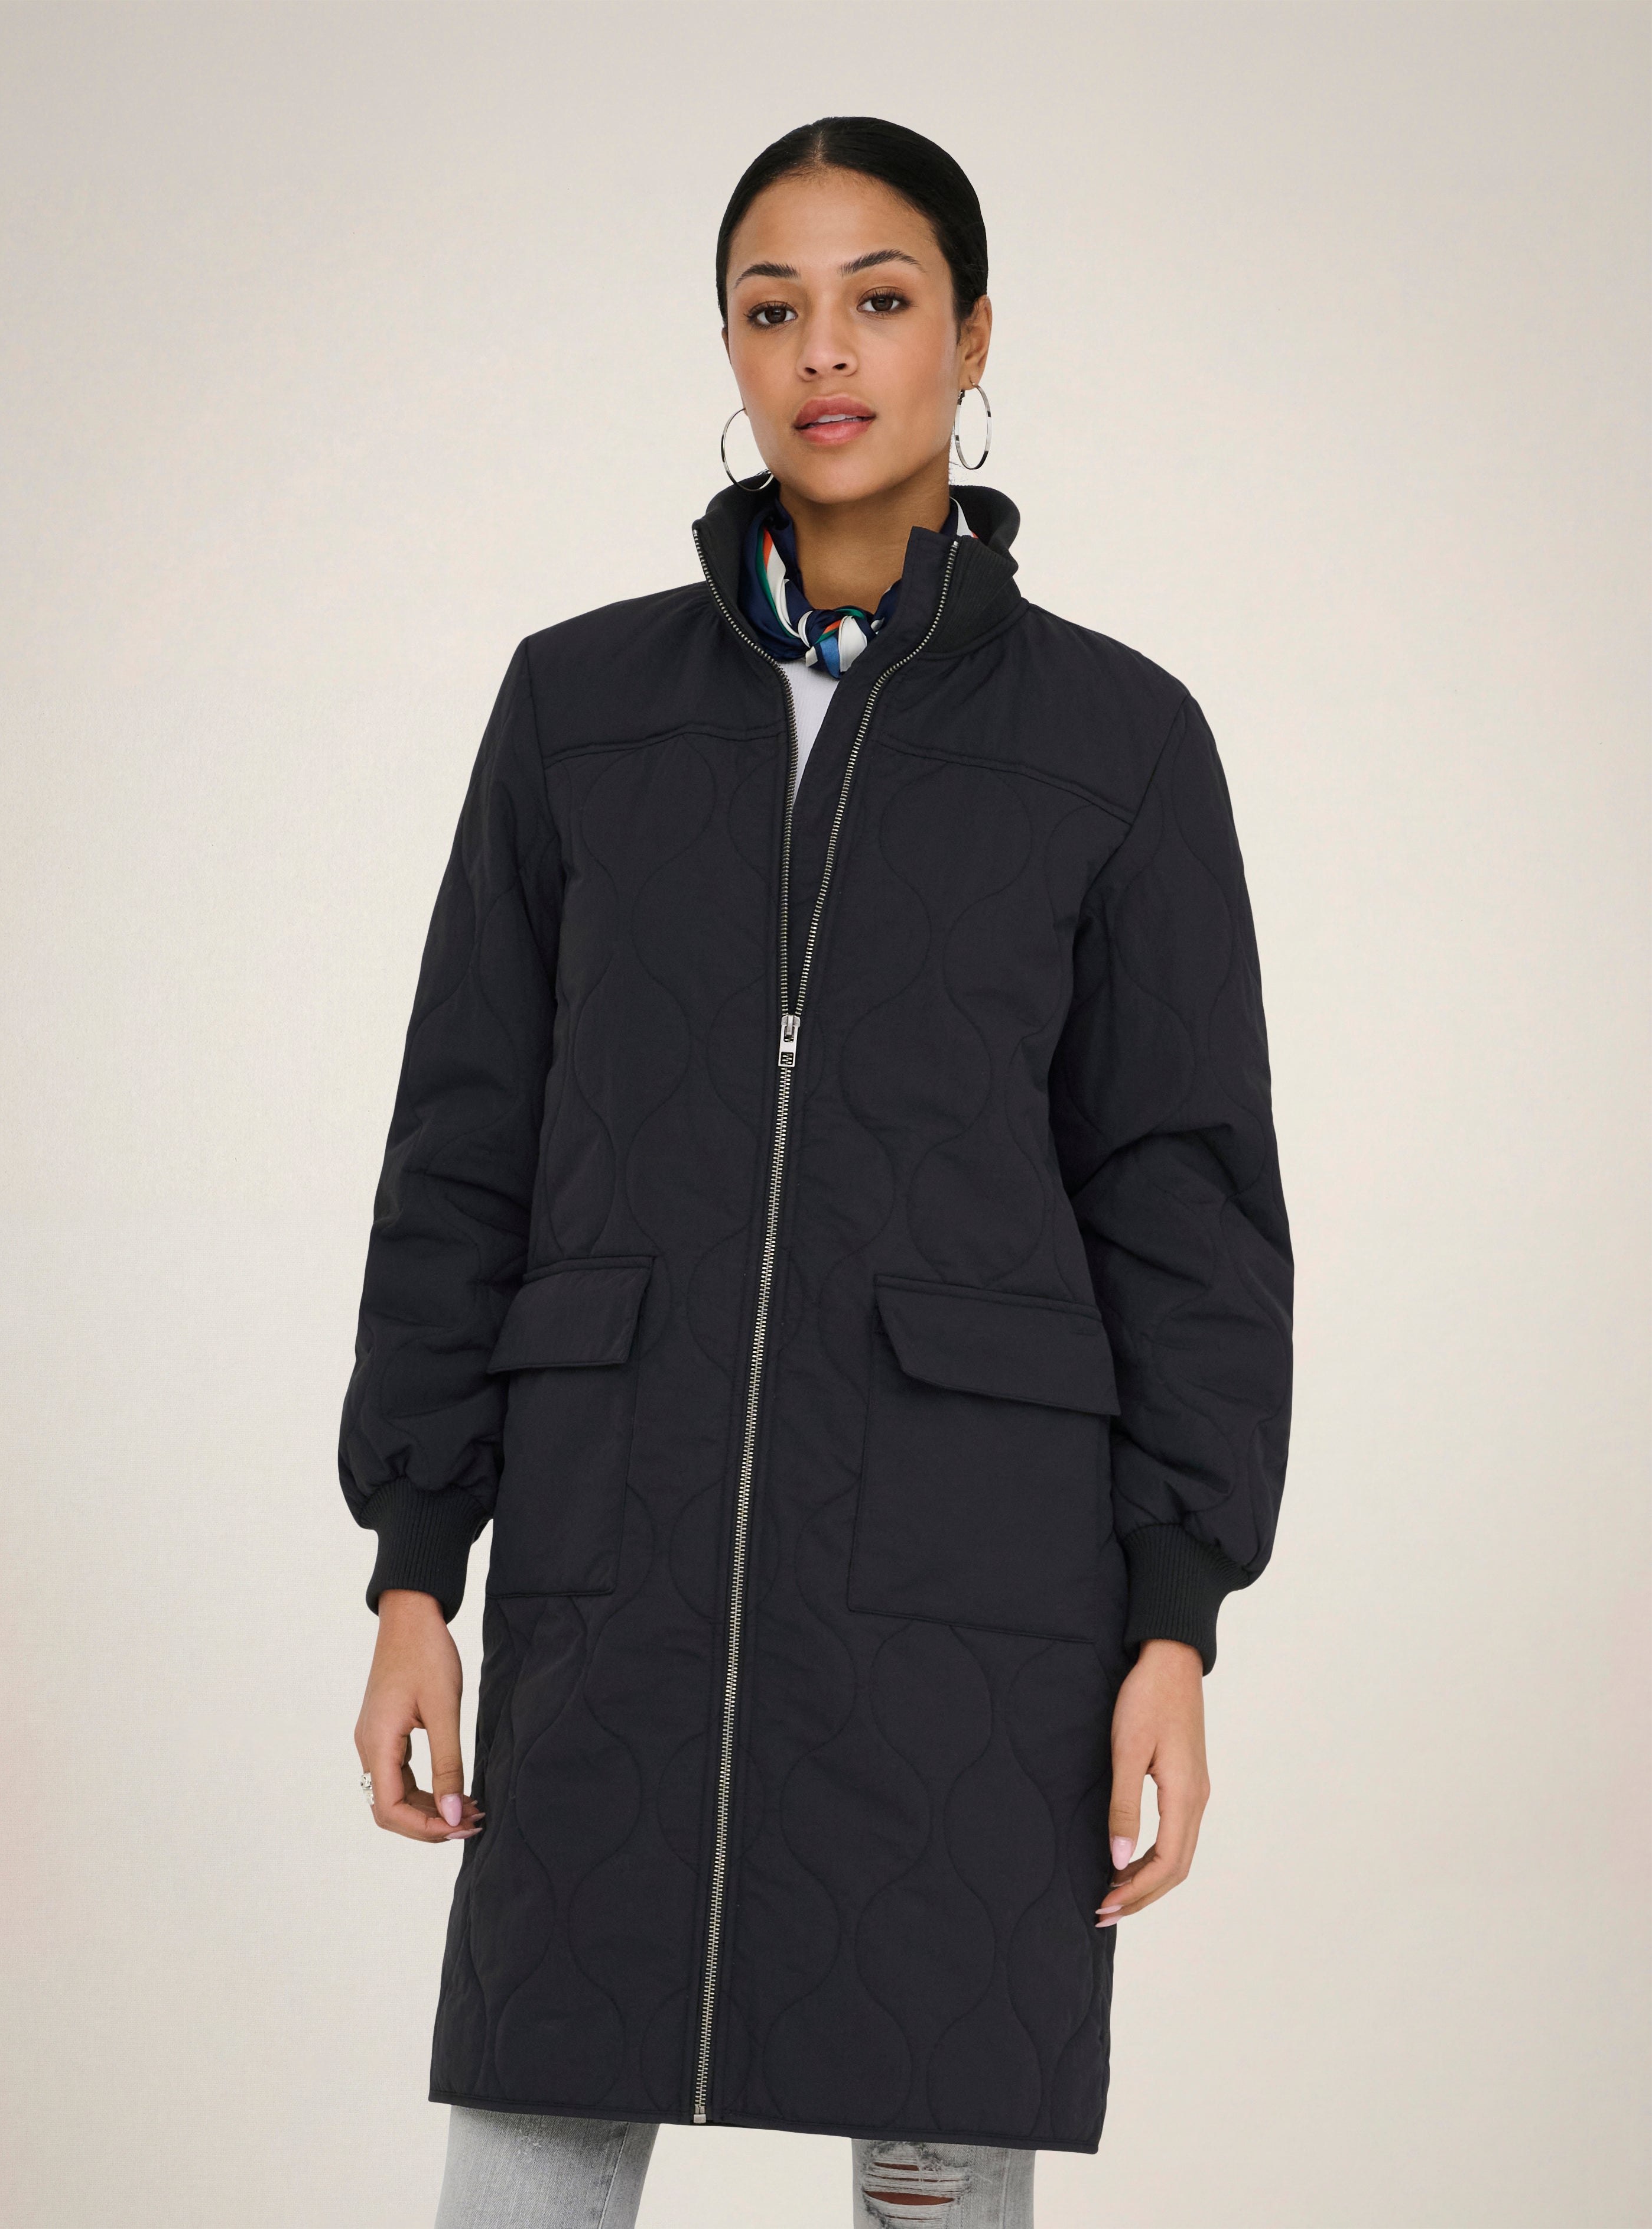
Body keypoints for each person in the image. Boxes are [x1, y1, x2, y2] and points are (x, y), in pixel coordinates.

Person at [339, 116, 1293, 2229]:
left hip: (978, 1585)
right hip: (613, 1551)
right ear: (731, 348)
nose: (826, 351)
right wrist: (416, 1564)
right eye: (772, 308)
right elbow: (463, 1146)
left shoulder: (1121, 743)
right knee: (533, 2135)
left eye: (880, 299)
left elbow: (1187, 1208)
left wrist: (1175, 1621)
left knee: (935, 2166)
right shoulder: (578, 708)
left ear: (973, 337)